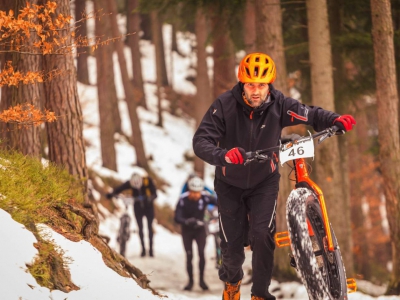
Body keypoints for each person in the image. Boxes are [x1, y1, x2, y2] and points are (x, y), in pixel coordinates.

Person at [192, 52, 356, 300]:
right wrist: (224, 155)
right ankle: (232, 283)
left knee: (262, 236)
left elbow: (310, 114)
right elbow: (200, 141)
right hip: (229, 183)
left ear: (269, 85)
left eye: (261, 85)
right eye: (250, 85)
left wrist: (335, 119)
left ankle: (260, 294)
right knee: (233, 252)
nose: (255, 91)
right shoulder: (224, 105)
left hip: (263, 182)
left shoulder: (280, 104)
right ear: (242, 84)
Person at [174, 176, 218, 291]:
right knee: (189, 256)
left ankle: (202, 280)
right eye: (193, 192)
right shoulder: (183, 199)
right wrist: (186, 221)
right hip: (187, 230)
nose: (195, 195)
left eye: (197, 192)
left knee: (201, 254)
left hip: (200, 229)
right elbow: (177, 217)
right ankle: (190, 281)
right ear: (189, 191)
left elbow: (219, 202)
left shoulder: (205, 197)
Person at [106, 173, 157, 257]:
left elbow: (155, 194)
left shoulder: (148, 181)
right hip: (138, 207)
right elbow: (120, 188)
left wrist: (150, 198)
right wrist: (112, 194)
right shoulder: (130, 183)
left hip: (148, 207)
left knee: (149, 227)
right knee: (140, 228)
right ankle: (143, 250)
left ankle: (151, 250)